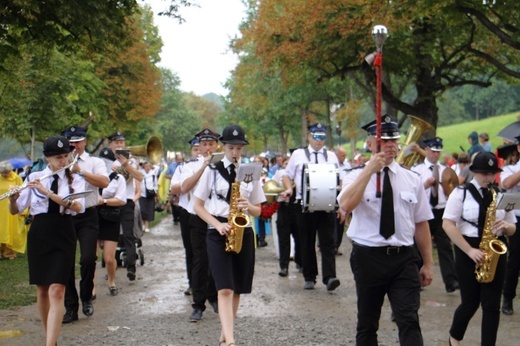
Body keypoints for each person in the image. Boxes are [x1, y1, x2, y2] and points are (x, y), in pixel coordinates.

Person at [338, 115, 434, 345]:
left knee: (409, 319)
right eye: (383, 140)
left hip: (404, 258)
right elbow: (346, 205)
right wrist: (369, 171)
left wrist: (428, 263)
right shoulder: (354, 175)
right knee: (368, 323)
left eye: (394, 139)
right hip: (368, 257)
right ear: (370, 144)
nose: (390, 144)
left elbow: (421, 222)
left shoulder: (412, 178)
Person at [9, 135, 85, 346]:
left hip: (63, 231)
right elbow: (16, 210)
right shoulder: (35, 176)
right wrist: (13, 201)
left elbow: (78, 207)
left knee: (57, 289)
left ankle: (49, 344)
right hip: (40, 232)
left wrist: (48, 192)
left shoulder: (74, 178)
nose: (63, 161)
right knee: (42, 290)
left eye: (65, 156)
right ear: (47, 158)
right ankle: (49, 337)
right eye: (58, 157)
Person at [193, 124, 265, 346]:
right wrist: (217, 224)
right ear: (223, 146)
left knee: (237, 288)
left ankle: (225, 334)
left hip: (243, 229)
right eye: (231, 148)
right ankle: (231, 341)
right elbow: (198, 206)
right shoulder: (211, 171)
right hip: (217, 231)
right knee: (224, 286)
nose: (235, 152)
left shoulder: (251, 172)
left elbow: (259, 210)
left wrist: (247, 206)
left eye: (239, 148)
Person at [443, 151, 516, 346]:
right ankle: (454, 339)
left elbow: (512, 227)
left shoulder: (501, 195)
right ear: (474, 172)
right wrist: (469, 251)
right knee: (470, 303)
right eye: (485, 173)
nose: (489, 177)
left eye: (492, 173)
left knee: (492, 306)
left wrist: (506, 227)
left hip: (495, 249)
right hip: (468, 249)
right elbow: (448, 224)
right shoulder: (461, 192)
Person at [282, 123, 341, 291]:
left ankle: (330, 277)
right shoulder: (298, 155)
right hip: (304, 205)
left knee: (328, 242)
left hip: (327, 205)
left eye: (322, 137)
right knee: (306, 241)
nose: (319, 140)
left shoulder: (331, 156)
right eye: (316, 136)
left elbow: (340, 179)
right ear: (309, 137)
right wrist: (288, 188)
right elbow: (287, 175)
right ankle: (309, 277)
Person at [62, 126, 109, 323]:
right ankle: (70, 307)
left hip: (88, 214)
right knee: (66, 263)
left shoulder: (94, 161)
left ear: (84, 142)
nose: (73, 145)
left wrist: (81, 171)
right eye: (70, 142)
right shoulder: (59, 161)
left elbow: (104, 182)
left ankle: (87, 296)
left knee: (88, 259)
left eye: (77, 141)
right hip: (65, 215)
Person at [181, 128, 220, 321]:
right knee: (200, 260)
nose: (207, 148)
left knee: (217, 259)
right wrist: (204, 166)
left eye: (211, 144)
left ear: (216, 145)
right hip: (197, 215)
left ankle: (215, 298)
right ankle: (198, 304)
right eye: (204, 144)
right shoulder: (191, 165)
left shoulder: (224, 163)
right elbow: (185, 187)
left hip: (217, 215)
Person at [412, 137, 459, 293]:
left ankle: (450, 280)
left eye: (438, 152)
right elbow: (412, 191)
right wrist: (425, 185)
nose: (435, 155)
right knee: (419, 246)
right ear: (426, 151)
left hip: (440, 210)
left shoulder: (445, 169)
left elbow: (452, 189)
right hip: (424, 211)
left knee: (445, 246)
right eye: (433, 151)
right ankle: (418, 279)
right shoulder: (417, 169)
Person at [107, 131, 144, 281]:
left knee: (128, 235)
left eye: (122, 142)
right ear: (110, 145)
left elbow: (139, 177)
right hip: (111, 201)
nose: (120, 145)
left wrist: (126, 165)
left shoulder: (131, 159)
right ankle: (110, 267)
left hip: (127, 201)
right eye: (116, 143)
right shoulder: (105, 160)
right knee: (111, 236)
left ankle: (131, 267)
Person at [171, 137, 201, 296]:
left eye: (200, 148)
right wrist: (188, 181)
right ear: (191, 151)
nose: (198, 152)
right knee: (190, 249)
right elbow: (175, 188)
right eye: (195, 149)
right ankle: (192, 283)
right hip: (187, 211)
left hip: (206, 211)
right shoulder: (183, 167)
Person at [97, 148, 127, 297]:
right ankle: (90, 287)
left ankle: (111, 281)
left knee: (109, 258)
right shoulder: (92, 177)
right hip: (94, 217)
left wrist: (104, 201)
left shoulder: (118, 179)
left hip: (110, 217)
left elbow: (121, 200)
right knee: (91, 256)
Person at [499, 136, 520, 316]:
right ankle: (508, 297)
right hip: (516, 219)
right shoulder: (510, 168)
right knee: (515, 260)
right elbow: (507, 184)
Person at [274, 156, 302, 277]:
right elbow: (273, 189)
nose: (287, 165)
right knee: (283, 239)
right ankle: (284, 266)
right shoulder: (280, 174)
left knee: (300, 238)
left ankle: (300, 262)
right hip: (284, 207)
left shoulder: (300, 175)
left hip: (297, 207)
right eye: (286, 163)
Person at [0, 161, 27, 260]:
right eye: (2, 173)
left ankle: (9, 252)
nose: (4, 174)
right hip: (0, 209)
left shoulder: (17, 178)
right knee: (1, 230)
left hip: (11, 208)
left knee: (11, 230)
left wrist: (23, 210)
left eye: (6, 172)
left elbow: (23, 193)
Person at [334, 146, 351, 255]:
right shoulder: (332, 164)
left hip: (344, 193)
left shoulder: (347, 166)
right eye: (342, 155)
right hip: (333, 193)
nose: (344, 157)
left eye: (345, 155)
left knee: (341, 221)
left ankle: (336, 245)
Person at [139, 161, 158, 233]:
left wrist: (155, 192)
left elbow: (155, 184)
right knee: (142, 210)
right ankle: (143, 224)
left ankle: (147, 226)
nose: (147, 168)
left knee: (149, 210)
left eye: (149, 166)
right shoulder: (140, 173)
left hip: (150, 194)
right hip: (142, 194)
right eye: (146, 166)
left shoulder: (153, 174)